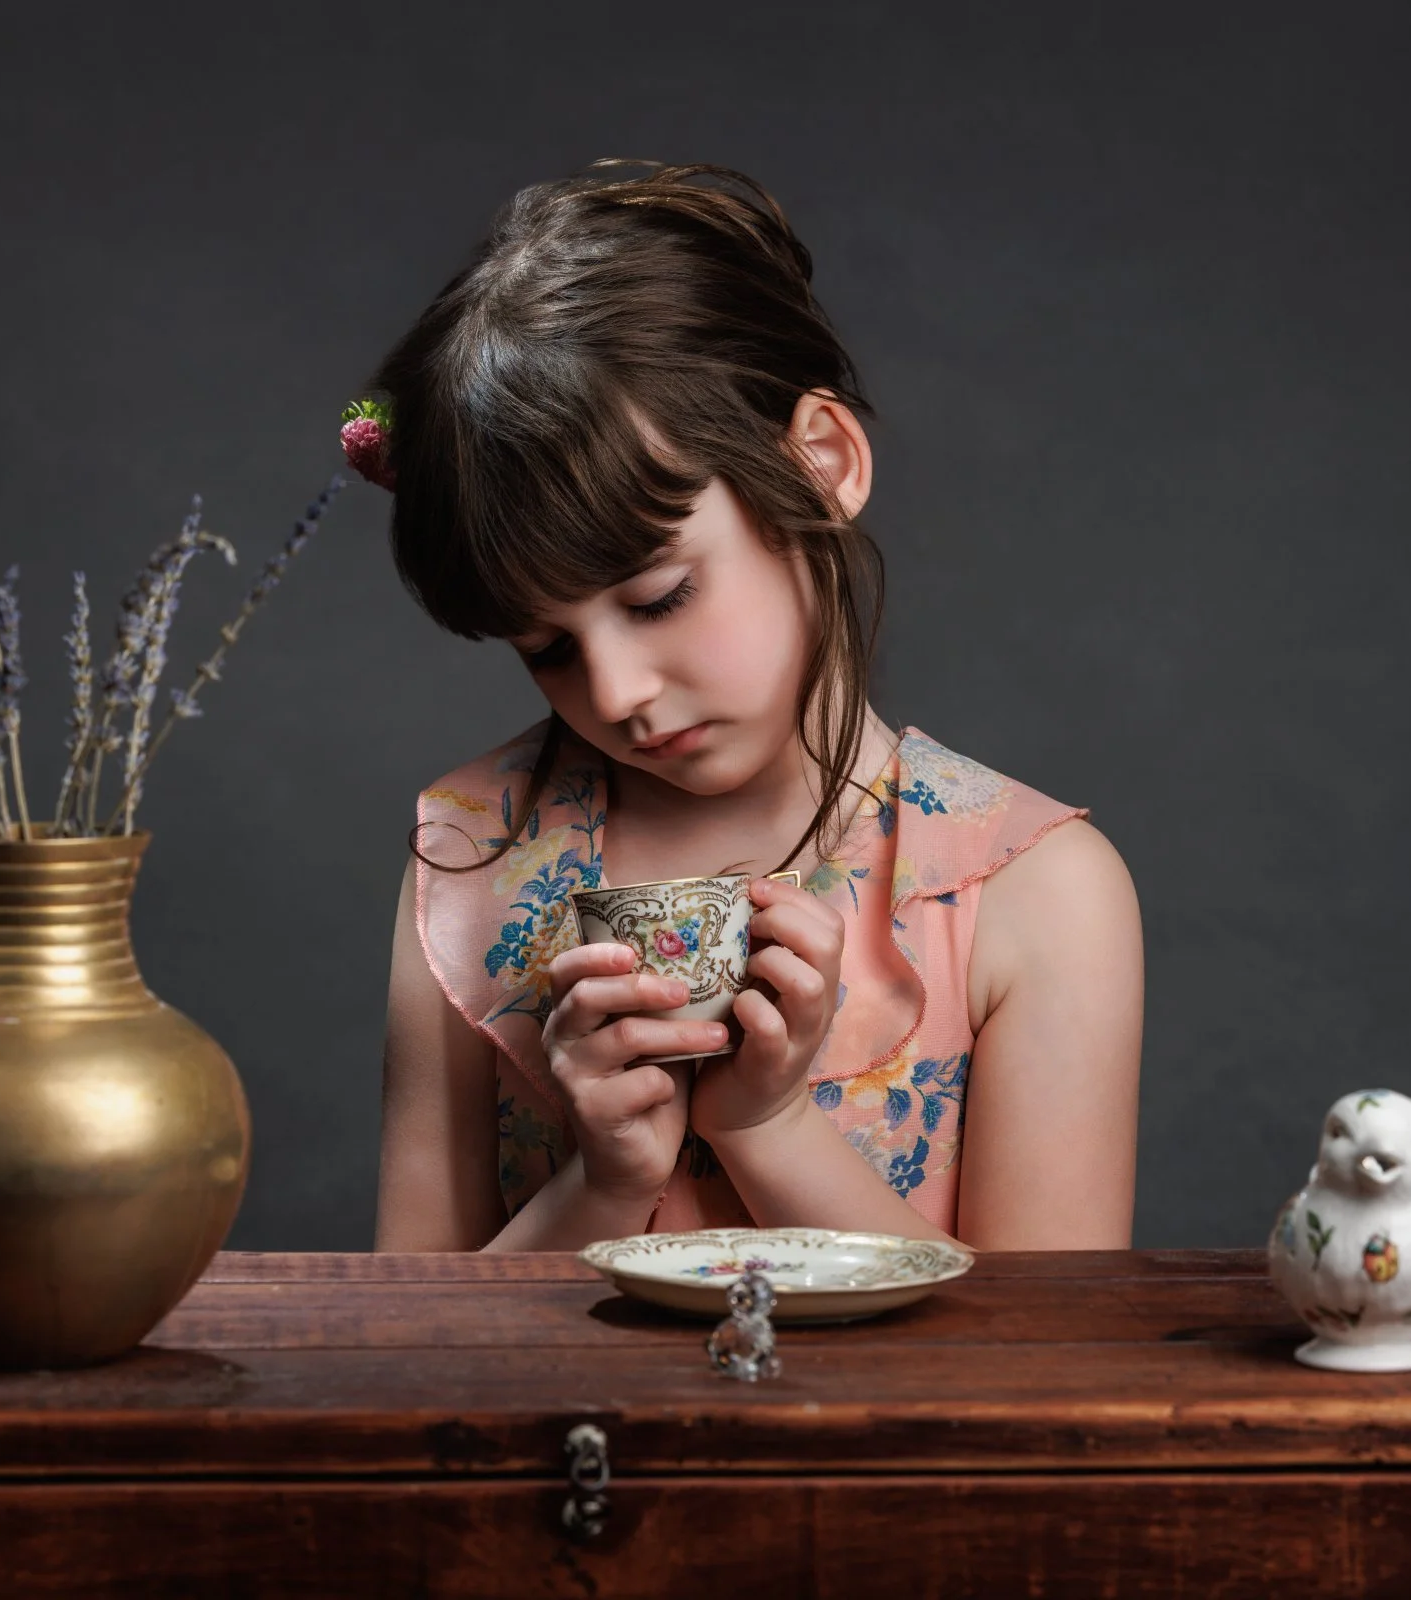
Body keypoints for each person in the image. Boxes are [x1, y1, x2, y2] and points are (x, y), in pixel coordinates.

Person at [365, 160, 1142, 1253]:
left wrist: (767, 1128)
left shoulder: (1034, 895)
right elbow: (412, 1363)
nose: (618, 694)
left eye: (659, 596)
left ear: (821, 465)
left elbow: (1044, 1381)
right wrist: (602, 1180)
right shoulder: (471, 860)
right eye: (547, 649)